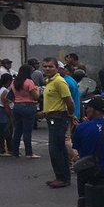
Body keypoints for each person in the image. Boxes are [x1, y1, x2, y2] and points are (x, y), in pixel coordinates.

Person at [40, 58, 75, 189]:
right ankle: (60, 176)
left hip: (58, 118)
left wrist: (70, 115)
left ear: (57, 68)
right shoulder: (49, 81)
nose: (47, 69)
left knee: (56, 149)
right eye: (45, 66)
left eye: (50, 67)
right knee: (55, 149)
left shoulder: (59, 82)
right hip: (51, 117)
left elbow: (69, 101)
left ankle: (63, 178)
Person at [9, 64, 39, 158]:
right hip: (28, 106)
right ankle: (29, 153)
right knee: (27, 131)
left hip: (17, 106)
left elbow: (11, 95)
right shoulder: (29, 82)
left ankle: (15, 152)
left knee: (17, 130)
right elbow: (35, 96)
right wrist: (37, 90)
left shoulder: (14, 82)